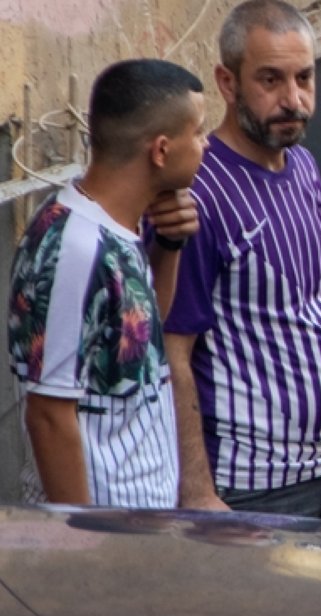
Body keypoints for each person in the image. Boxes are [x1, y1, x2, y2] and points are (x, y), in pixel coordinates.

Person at [160, 0, 321, 517]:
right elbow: (173, 351)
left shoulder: (306, 167)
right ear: (228, 84)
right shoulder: (198, 193)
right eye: (271, 80)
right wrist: (198, 491)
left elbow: (318, 298)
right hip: (253, 489)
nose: (293, 99)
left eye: (305, 79)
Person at [8, 59, 208, 507]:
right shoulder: (75, 248)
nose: (205, 145)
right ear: (161, 150)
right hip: (107, 539)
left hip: (140, 529)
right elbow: (48, 415)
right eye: (197, 133)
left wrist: (170, 244)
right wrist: (85, 546)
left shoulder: (117, 229)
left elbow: (140, 335)